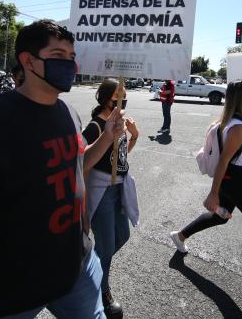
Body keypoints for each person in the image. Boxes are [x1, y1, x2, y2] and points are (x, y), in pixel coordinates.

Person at [0, 20, 126, 319]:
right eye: (58, 55)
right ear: (28, 61)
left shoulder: (68, 112)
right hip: (13, 283)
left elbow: (76, 165)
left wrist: (107, 137)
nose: (70, 64)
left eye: (72, 57)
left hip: (79, 266)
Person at [170, 78, 242, 300]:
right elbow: (225, 159)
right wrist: (213, 193)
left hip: (231, 178)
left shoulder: (235, 123)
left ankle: (180, 235)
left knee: (220, 216)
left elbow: (235, 146)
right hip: (236, 180)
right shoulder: (239, 126)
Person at [82, 80, 139, 319]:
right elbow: (82, 165)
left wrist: (134, 135)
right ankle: (101, 290)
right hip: (102, 192)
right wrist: (83, 207)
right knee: (106, 248)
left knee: (122, 236)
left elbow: (120, 156)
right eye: (118, 96)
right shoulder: (95, 127)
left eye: (124, 95)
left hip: (119, 189)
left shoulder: (119, 122)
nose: (123, 100)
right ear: (107, 98)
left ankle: (91, 268)